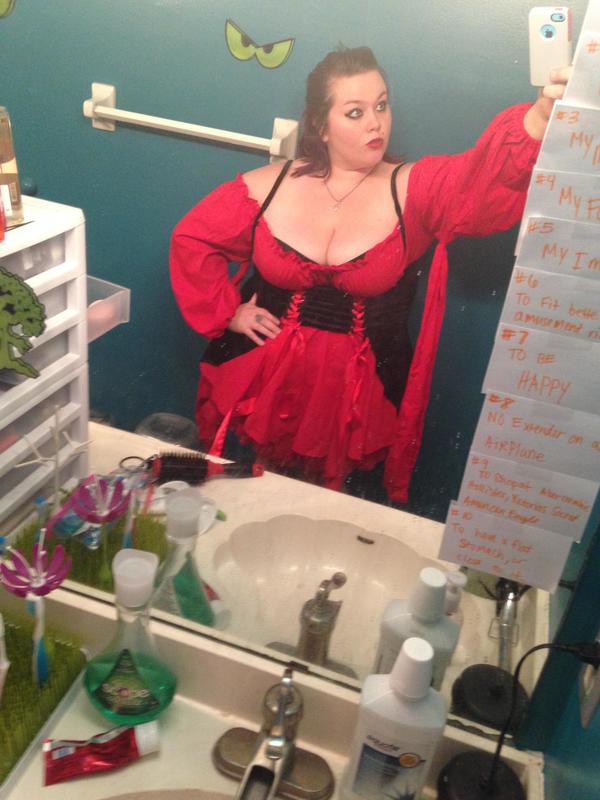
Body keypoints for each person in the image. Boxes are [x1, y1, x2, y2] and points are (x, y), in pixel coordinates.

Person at [170, 47, 569, 503]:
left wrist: (540, 115)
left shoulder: (413, 189)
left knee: (323, 503)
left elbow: (479, 179)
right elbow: (192, 240)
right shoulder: (269, 185)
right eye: (355, 112)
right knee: (262, 485)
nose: (376, 124)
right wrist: (230, 312)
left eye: (381, 105)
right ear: (321, 125)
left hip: (356, 393)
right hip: (269, 379)